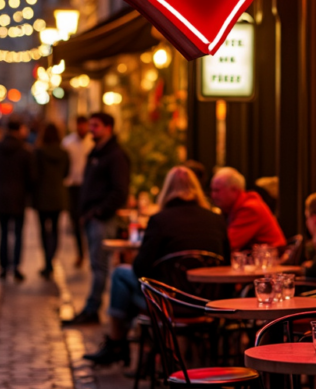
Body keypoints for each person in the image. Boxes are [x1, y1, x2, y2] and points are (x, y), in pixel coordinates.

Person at [84, 165, 229, 365]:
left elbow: (140, 269)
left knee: (120, 275)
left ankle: (118, 343)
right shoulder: (216, 220)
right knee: (129, 282)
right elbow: (227, 265)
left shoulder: (160, 220)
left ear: (166, 190)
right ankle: (146, 349)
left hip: (168, 303)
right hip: (207, 303)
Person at [63, 112, 130, 325]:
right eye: (90, 125)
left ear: (108, 127)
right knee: (96, 265)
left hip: (103, 220)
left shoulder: (115, 155)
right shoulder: (98, 152)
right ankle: (92, 307)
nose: (91, 129)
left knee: (99, 266)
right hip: (93, 217)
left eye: (96, 126)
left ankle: (93, 309)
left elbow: (120, 191)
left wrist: (98, 212)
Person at [0, 118, 34, 280]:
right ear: (19, 130)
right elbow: (32, 176)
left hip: (0, 196)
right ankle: (16, 266)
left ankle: (4, 267)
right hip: (19, 197)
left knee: (3, 233)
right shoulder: (25, 151)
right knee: (18, 233)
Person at [210, 167, 286, 252]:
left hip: (271, 262)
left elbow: (228, 244)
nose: (213, 196)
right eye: (212, 190)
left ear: (234, 190)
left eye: (217, 190)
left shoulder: (250, 209)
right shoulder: (235, 207)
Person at [34, 123, 69, 277]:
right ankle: (51, 260)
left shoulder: (39, 152)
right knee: (55, 229)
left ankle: (47, 262)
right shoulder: (63, 153)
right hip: (58, 195)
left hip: (41, 195)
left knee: (43, 230)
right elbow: (66, 173)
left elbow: (34, 174)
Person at [62, 115, 92, 266]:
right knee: (75, 221)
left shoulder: (92, 143)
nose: (82, 128)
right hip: (73, 186)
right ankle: (80, 253)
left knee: (88, 220)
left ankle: (90, 252)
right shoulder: (68, 143)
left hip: (89, 186)